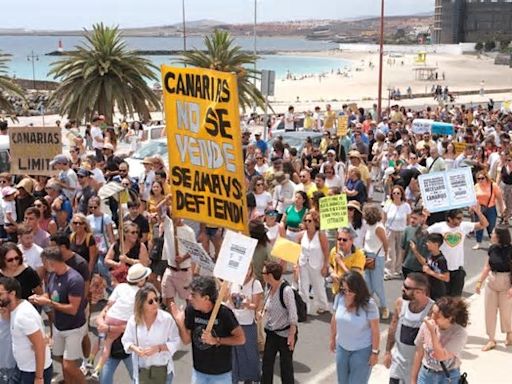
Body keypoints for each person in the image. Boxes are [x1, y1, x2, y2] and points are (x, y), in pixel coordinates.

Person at [169, 276, 245, 384]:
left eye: (194, 295)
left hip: (221, 374)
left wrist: (217, 340)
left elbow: (240, 338)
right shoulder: (191, 311)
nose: (190, 298)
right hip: (199, 372)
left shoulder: (224, 313)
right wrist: (180, 323)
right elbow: (186, 340)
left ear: (206, 298)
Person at [29, 246, 87, 384]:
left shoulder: (74, 280)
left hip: (74, 328)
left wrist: (48, 302)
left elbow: (73, 309)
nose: (43, 266)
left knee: (69, 365)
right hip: (59, 326)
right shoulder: (53, 275)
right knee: (61, 360)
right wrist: (38, 298)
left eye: (44, 262)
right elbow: (50, 295)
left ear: (51, 262)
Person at [121, 283, 180, 384]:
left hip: (162, 371)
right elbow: (126, 340)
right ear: (141, 304)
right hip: (141, 371)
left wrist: (159, 348)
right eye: (150, 301)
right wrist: (135, 348)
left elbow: (176, 341)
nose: (155, 304)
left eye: (156, 299)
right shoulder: (134, 320)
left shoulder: (166, 319)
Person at [329, 271, 380, 384]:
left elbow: (375, 330)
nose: (346, 293)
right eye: (344, 289)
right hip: (342, 348)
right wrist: (332, 338)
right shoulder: (339, 297)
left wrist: (375, 353)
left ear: (358, 288)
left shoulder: (369, 305)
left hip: (362, 351)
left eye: (350, 290)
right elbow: (334, 319)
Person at [0, 277, 53, 384]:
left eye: (0, 294)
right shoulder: (16, 309)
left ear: (12, 294)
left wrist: (39, 378)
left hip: (32, 372)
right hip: (23, 369)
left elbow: (39, 346)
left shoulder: (23, 315)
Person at [384, 273, 434, 384]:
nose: (402, 288)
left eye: (406, 287)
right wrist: (387, 351)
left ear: (419, 292)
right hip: (398, 365)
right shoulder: (400, 303)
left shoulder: (432, 310)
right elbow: (393, 327)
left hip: (419, 369)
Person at [428, 206, 488, 296]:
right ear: (449, 218)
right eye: (458, 218)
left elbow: (484, 224)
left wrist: (479, 212)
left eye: (462, 218)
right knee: (442, 299)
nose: (461, 221)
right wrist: (425, 217)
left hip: (457, 270)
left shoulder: (464, 226)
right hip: (442, 270)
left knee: (455, 300)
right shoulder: (439, 226)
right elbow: (423, 233)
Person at [411, 297, 469, 384]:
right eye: (432, 313)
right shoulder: (426, 326)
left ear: (449, 318)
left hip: (448, 376)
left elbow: (441, 356)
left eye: (437, 315)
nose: (432, 318)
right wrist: (413, 380)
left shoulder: (459, 333)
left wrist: (433, 333)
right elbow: (419, 353)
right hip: (427, 375)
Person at [475, 224, 512, 351]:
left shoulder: (510, 250)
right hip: (492, 281)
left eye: (493, 233)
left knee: (506, 311)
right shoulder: (492, 248)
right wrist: (480, 281)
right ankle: (491, 339)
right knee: (489, 311)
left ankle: (509, 333)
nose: (491, 235)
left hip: (506, 281)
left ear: (500, 236)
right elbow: (487, 266)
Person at [260, 261, 298, 384]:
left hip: (286, 335)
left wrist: (292, 336)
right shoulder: (269, 288)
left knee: (285, 367)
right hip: (272, 332)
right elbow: (268, 307)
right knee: (267, 364)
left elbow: (293, 316)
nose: (262, 275)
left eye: (264, 272)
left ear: (270, 275)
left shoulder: (286, 291)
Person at [228, 265, 263, 384]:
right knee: (235, 353)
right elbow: (229, 300)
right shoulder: (233, 282)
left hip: (247, 323)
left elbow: (256, 305)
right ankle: (236, 378)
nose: (245, 272)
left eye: (248, 269)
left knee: (250, 352)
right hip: (233, 322)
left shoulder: (255, 284)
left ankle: (252, 378)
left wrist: (248, 304)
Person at [296, 211, 329, 315]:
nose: (307, 223)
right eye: (305, 220)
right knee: (302, 286)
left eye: (309, 221)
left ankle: (322, 305)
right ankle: (304, 308)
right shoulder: (301, 235)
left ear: (315, 222)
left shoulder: (321, 235)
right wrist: (296, 265)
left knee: (318, 286)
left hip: (317, 264)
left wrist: (325, 266)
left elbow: (326, 251)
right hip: (303, 263)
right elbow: (297, 250)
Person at [363, 204, 389, 319]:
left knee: (377, 285)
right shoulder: (369, 226)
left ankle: (384, 307)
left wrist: (386, 255)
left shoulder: (378, 227)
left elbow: (385, 242)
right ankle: (369, 306)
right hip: (367, 256)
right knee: (368, 284)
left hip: (377, 257)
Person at [410, 233, 449, 300]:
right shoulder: (431, 255)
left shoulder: (441, 260)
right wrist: (415, 251)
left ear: (436, 244)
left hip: (437, 292)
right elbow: (425, 263)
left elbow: (446, 277)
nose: (426, 244)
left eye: (429, 242)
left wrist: (430, 272)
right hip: (429, 288)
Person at [383, 185, 411, 279]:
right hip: (390, 230)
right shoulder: (388, 204)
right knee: (391, 251)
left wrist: (408, 230)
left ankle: (397, 270)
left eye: (398, 193)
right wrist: (384, 228)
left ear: (401, 194)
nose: (396, 195)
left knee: (400, 251)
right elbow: (384, 217)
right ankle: (389, 271)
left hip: (402, 231)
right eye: (394, 193)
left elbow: (408, 220)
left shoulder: (406, 206)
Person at [473, 170, 504, 250]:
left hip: (490, 208)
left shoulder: (493, 185)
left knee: (491, 227)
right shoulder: (476, 186)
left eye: (482, 178)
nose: (480, 180)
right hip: (479, 209)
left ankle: (492, 242)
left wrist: (502, 208)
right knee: (479, 226)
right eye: (478, 179)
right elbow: (473, 198)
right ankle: (478, 242)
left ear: (486, 177)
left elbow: (499, 198)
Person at [329, 227, 366, 295]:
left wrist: (340, 262)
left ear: (351, 241)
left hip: (351, 293)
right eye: (339, 239)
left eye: (344, 240)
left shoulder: (359, 254)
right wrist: (332, 273)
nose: (341, 242)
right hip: (336, 291)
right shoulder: (334, 250)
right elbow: (330, 266)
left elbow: (354, 277)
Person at [400, 208, 428, 279]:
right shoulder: (407, 230)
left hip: (420, 268)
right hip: (407, 266)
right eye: (411, 217)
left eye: (415, 218)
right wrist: (402, 263)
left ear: (422, 218)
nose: (412, 220)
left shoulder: (428, 232)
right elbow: (403, 249)